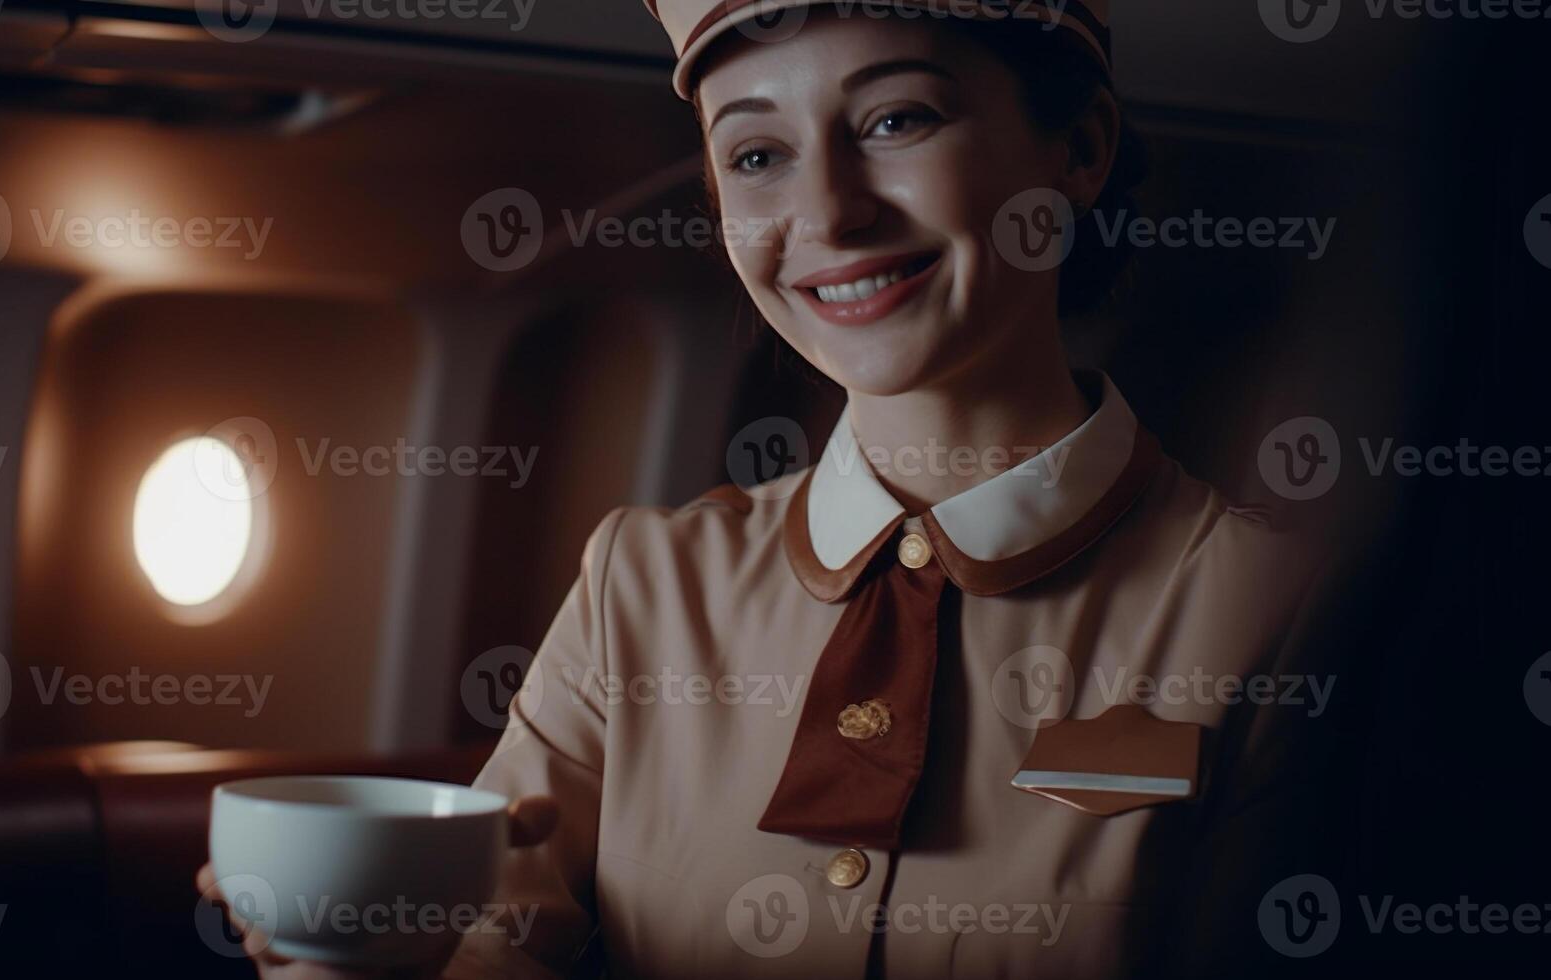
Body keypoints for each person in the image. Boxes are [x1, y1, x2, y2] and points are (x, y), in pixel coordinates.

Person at [204, 1, 1330, 976]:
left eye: (897, 120)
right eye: (755, 155)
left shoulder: (1282, 614)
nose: (829, 213)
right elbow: (488, 943)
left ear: (1076, 149)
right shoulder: (640, 584)